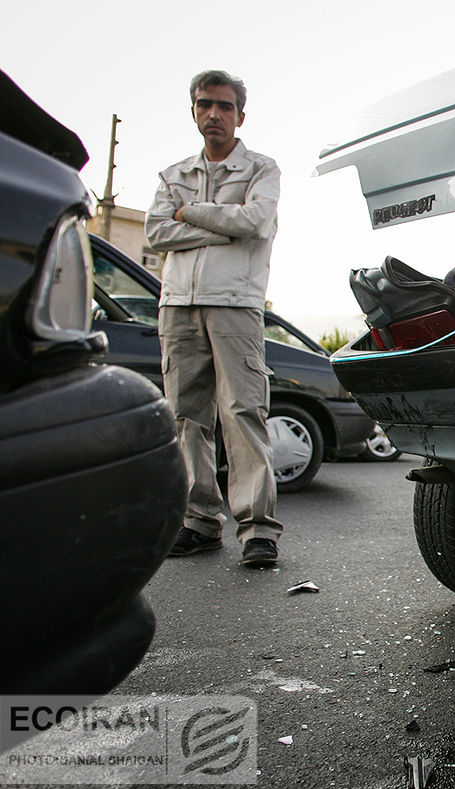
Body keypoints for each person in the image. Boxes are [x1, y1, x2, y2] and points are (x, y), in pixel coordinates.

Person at [146, 69, 283, 568]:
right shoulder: (172, 175)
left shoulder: (261, 169)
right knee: (185, 416)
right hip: (178, 303)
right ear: (194, 112)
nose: (214, 114)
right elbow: (156, 233)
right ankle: (198, 521)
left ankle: (258, 530)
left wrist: (190, 214)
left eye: (224, 106)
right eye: (205, 105)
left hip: (235, 303)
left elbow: (255, 221)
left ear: (240, 115)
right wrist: (218, 225)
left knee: (242, 412)